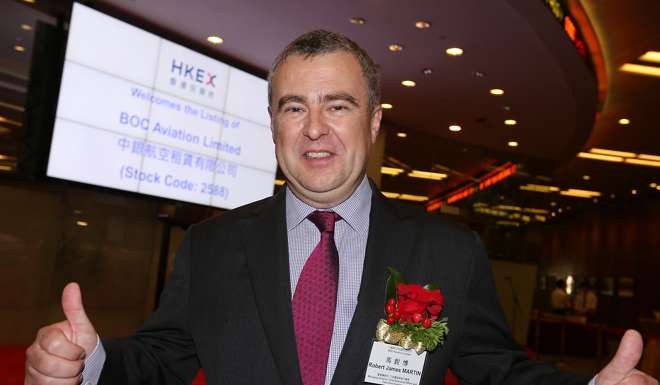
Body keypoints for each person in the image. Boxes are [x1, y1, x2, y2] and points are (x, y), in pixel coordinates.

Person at [25, 30, 658, 385]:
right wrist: (89, 363)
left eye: (339, 105)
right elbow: (162, 359)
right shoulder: (213, 245)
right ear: (273, 123)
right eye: (293, 107)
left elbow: (498, 370)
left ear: (375, 122)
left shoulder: (445, 251)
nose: (315, 129)